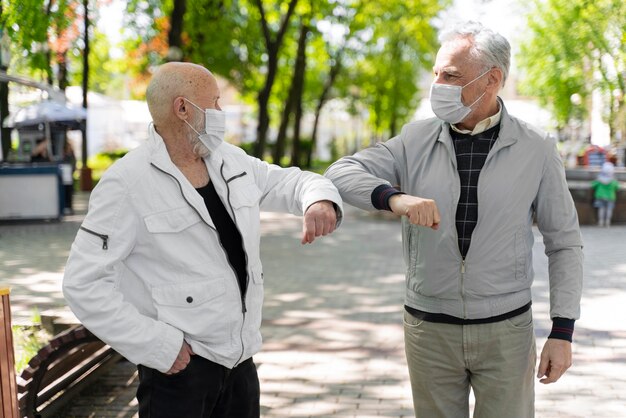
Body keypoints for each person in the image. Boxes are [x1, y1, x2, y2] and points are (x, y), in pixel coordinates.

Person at [325, 21, 583, 418]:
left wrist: (562, 332)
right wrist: (395, 199)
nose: (438, 85)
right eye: (436, 74)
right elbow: (340, 173)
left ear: (492, 79)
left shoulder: (537, 148)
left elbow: (563, 242)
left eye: (451, 75)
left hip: (506, 332)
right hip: (429, 330)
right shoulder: (414, 139)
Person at [63, 62, 343, 418]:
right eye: (215, 102)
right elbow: (82, 284)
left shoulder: (229, 160)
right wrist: (158, 346)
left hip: (240, 364)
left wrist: (318, 198)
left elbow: (290, 181)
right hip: (179, 372)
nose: (221, 113)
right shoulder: (127, 183)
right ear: (182, 109)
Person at [591, 161, 619, 227]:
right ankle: (607, 221)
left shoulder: (599, 179)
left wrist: (597, 180)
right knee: (609, 209)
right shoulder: (613, 180)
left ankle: (601, 221)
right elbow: (617, 187)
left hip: (600, 196)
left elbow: (593, 185)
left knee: (601, 209)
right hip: (610, 197)